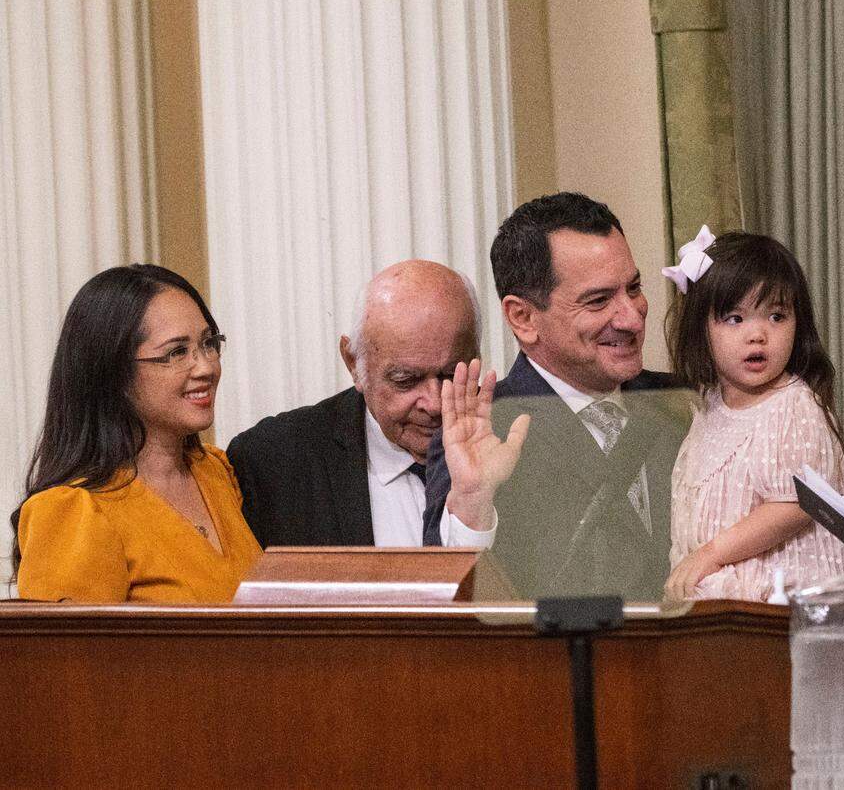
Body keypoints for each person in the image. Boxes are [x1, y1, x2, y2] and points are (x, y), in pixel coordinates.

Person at [423, 192, 688, 600]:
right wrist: (472, 503)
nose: (632, 318)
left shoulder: (682, 403)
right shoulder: (485, 430)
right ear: (523, 318)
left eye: (633, 288)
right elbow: (452, 599)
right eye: (599, 300)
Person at [11, 265, 262, 603]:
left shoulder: (216, 472)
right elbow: (65, 656)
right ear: (114, 373)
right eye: (177, 352)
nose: (205, 367)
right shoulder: (73, 510)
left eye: (208, 344)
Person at [226, 260, 490, 548]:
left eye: (452, 374)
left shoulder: (523, 445)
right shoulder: (275, 462)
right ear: (354, 364)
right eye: (405, 380)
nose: (434, 403)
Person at [661, 227, 844, 602]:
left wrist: (712, 553)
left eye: (776, 316)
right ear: (701, 330)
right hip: (722, 601)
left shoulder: (794, 406)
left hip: (783, 603)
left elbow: (796, 505)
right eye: (735, 318)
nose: (758, 335)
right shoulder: (709, 408)